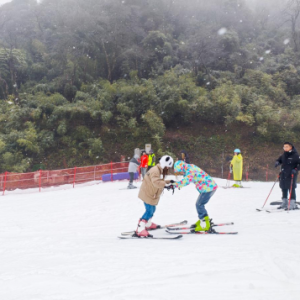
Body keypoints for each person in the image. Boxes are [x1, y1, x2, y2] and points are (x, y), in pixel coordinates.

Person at [173, 161, 218, 232]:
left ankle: (205, 224)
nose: (181, 173)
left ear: (182, 168)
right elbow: (187, 179)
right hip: (208, 187)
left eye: (180, 171)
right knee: (200, 204)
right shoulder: (189, 168)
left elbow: (186, 181)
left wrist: (174, 185)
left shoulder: (190, 170)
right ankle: (203, 221)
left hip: (208, 188)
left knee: (199, 204)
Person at [135, 155, 174, 237]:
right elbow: (156, 182)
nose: (167, 168)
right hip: (147, 193)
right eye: (167, 166)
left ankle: (148, 224)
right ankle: (140, 228)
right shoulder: (155, 171)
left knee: (152, 209)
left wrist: (168, 182)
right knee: (149, 211)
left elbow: (158, 181)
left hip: (150, 192)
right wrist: (165, 185)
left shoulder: (158, 170)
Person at [275, 142, 300, 210]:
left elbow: (299, 164)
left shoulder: (295, 155)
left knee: (291, 188)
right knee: (283, 187)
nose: (285, 148)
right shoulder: (284, 154)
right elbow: (279, 160)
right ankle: (284, 202)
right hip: (283, 174)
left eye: (286, 147)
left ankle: (292, 204)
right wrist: (277, 162)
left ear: (291, 147)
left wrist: (295, 169)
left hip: (291, 174)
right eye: (284, 147)